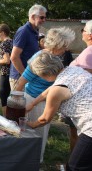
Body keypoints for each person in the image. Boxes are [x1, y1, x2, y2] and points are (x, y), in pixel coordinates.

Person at [15, 27, 75, 163]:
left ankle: (36, 160)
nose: (66, 49)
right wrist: (17, 104)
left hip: (45, 98)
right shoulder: (40, 58)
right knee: (36, 133)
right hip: (34, 99)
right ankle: (31, 161)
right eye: (64, 45)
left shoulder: (58, 56)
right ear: (57, 45)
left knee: (41, 133)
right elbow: (20, 83)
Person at [25, 52, 92, 171]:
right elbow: (50, 89)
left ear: (44, 73)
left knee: (75, 166)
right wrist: (33, 104)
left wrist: (29, 125)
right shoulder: (73, 69)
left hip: (90, 128)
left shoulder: (57, 90)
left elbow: (45, 119)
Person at [65, 20, 92, 152]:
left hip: (81, 102)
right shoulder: (88, 51)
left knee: (78, 133)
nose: (82, 32)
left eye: (84, 30)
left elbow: (85, 79)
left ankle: (74, 161)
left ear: (90, 35)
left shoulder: (89, 54)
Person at [10, 4, 47, 90]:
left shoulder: (35, 30)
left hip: (27, 76)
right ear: (33, 16)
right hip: (19, 77)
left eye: (45, 17)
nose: (44, 20)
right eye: (41, 17)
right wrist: (25, 76)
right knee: (19, 103)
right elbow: (14, 57)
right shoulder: (24, 31)